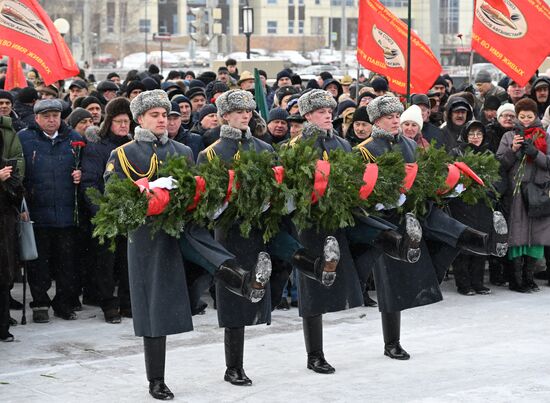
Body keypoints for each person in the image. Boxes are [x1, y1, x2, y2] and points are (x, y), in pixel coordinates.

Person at [18, 99, 83, 323]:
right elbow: (19, 175)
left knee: (67, 264)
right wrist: (22, 204)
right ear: (37, 118)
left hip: (66, 213)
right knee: (39, 263)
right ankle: (40, 303)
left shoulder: (74, 138)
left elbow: (88, 168)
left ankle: (63, 303)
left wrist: (80, 174)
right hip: (37, 213)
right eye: (46, 116)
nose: (51, 120)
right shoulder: (25, 139)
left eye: (55, 115)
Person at [81, 98, 133, 323]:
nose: (123, 125)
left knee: (127, 262)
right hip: (106, 214)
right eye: (119, 121)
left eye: (127, 121)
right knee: (106, 264)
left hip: (131, 213)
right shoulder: (98, 146)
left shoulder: (133, 145)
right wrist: (101, 211)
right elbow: (90, 182)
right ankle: (108, 304)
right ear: (108, 122)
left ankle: (127, 303)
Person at [496, 97, 550, 293]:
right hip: (517, 192)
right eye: (522, 116)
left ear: (536, 116)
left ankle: (529, 277)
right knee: (517, 234)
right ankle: (516, 279)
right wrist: (513, 150)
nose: (526, 119)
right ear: (517, 117)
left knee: (536, 234)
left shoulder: (544, 135)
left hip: (537, 191)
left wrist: (536, 154)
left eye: (530, 116)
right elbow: (500, 163)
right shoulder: (509, 136)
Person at [449, 121, 501, 295]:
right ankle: (463, 283)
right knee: (464, 243)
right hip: (462, 205)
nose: (476, 137)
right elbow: (449, 175)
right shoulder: (456, 153)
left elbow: (499, 180)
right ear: (465, 135)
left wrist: (492, 192)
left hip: (483, 206)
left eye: (479, 134)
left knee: (481, 242)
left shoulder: (489, 154)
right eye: (472, 134)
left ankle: (478, 282)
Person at [0, 132, 24, 342]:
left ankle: (3, 325)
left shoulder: (6, 165)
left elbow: (17, 195)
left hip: (4, 230)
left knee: (3, 279)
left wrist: (9, 183)